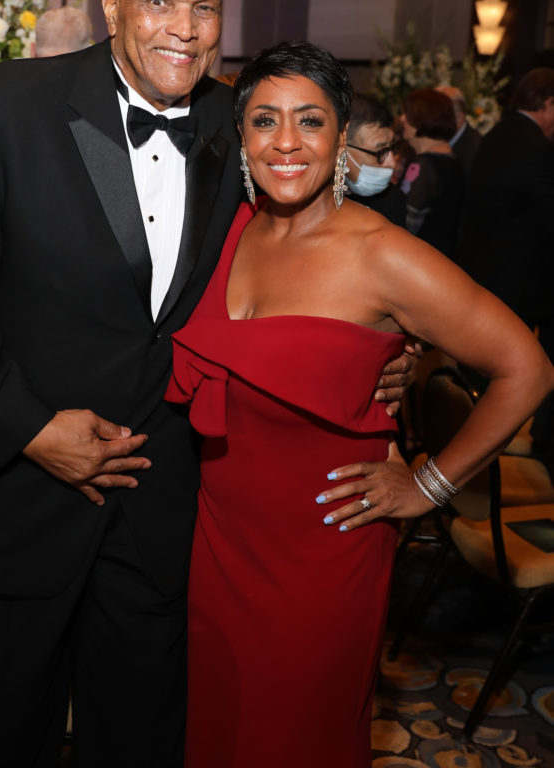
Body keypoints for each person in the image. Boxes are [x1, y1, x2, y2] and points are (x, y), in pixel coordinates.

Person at [0, 0, 412, 768]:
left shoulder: (231, 122)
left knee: (138, 739)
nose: (184, 27)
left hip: (161, 514)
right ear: (113, 7)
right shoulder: (5, 106)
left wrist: (381, 348)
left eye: (204, 8)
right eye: (160, 3)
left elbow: (291, 264)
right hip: (16, 502)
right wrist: (30, 429)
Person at [164, 40, 554, 768]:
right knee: (219, 731)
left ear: (340, 140)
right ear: (240, 134)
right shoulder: (235, 232)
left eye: (308, 122)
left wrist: (430, 484)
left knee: (292, 740)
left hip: (320, 552)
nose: (285, 143)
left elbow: (525, 370)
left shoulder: (382, 254)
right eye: (263, 120)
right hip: (218, 547)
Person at [459, 67, 554, 466]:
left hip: (486, 271)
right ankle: (479, 458)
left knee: (481, 374)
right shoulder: (534, 147)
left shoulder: (501, 133)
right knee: (513, 370)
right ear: (549, 103)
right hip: (517, 279)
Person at [399, 88, 464, 256]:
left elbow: (406, 226)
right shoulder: (450, 160)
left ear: (420, 119)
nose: (402, 119)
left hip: (419, 259)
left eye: (406, 114)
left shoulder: (424, 166)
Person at [345, 92, 406, 225]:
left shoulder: (393, 200)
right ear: (340, 149)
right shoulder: (310, 206)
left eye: (393, 147)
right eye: (380, 151)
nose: (392, 163)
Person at [435, 82, 482, 184]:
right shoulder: (454, 141)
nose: (432, 122)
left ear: (459, 119)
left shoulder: (472, 151)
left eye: (439, 116)